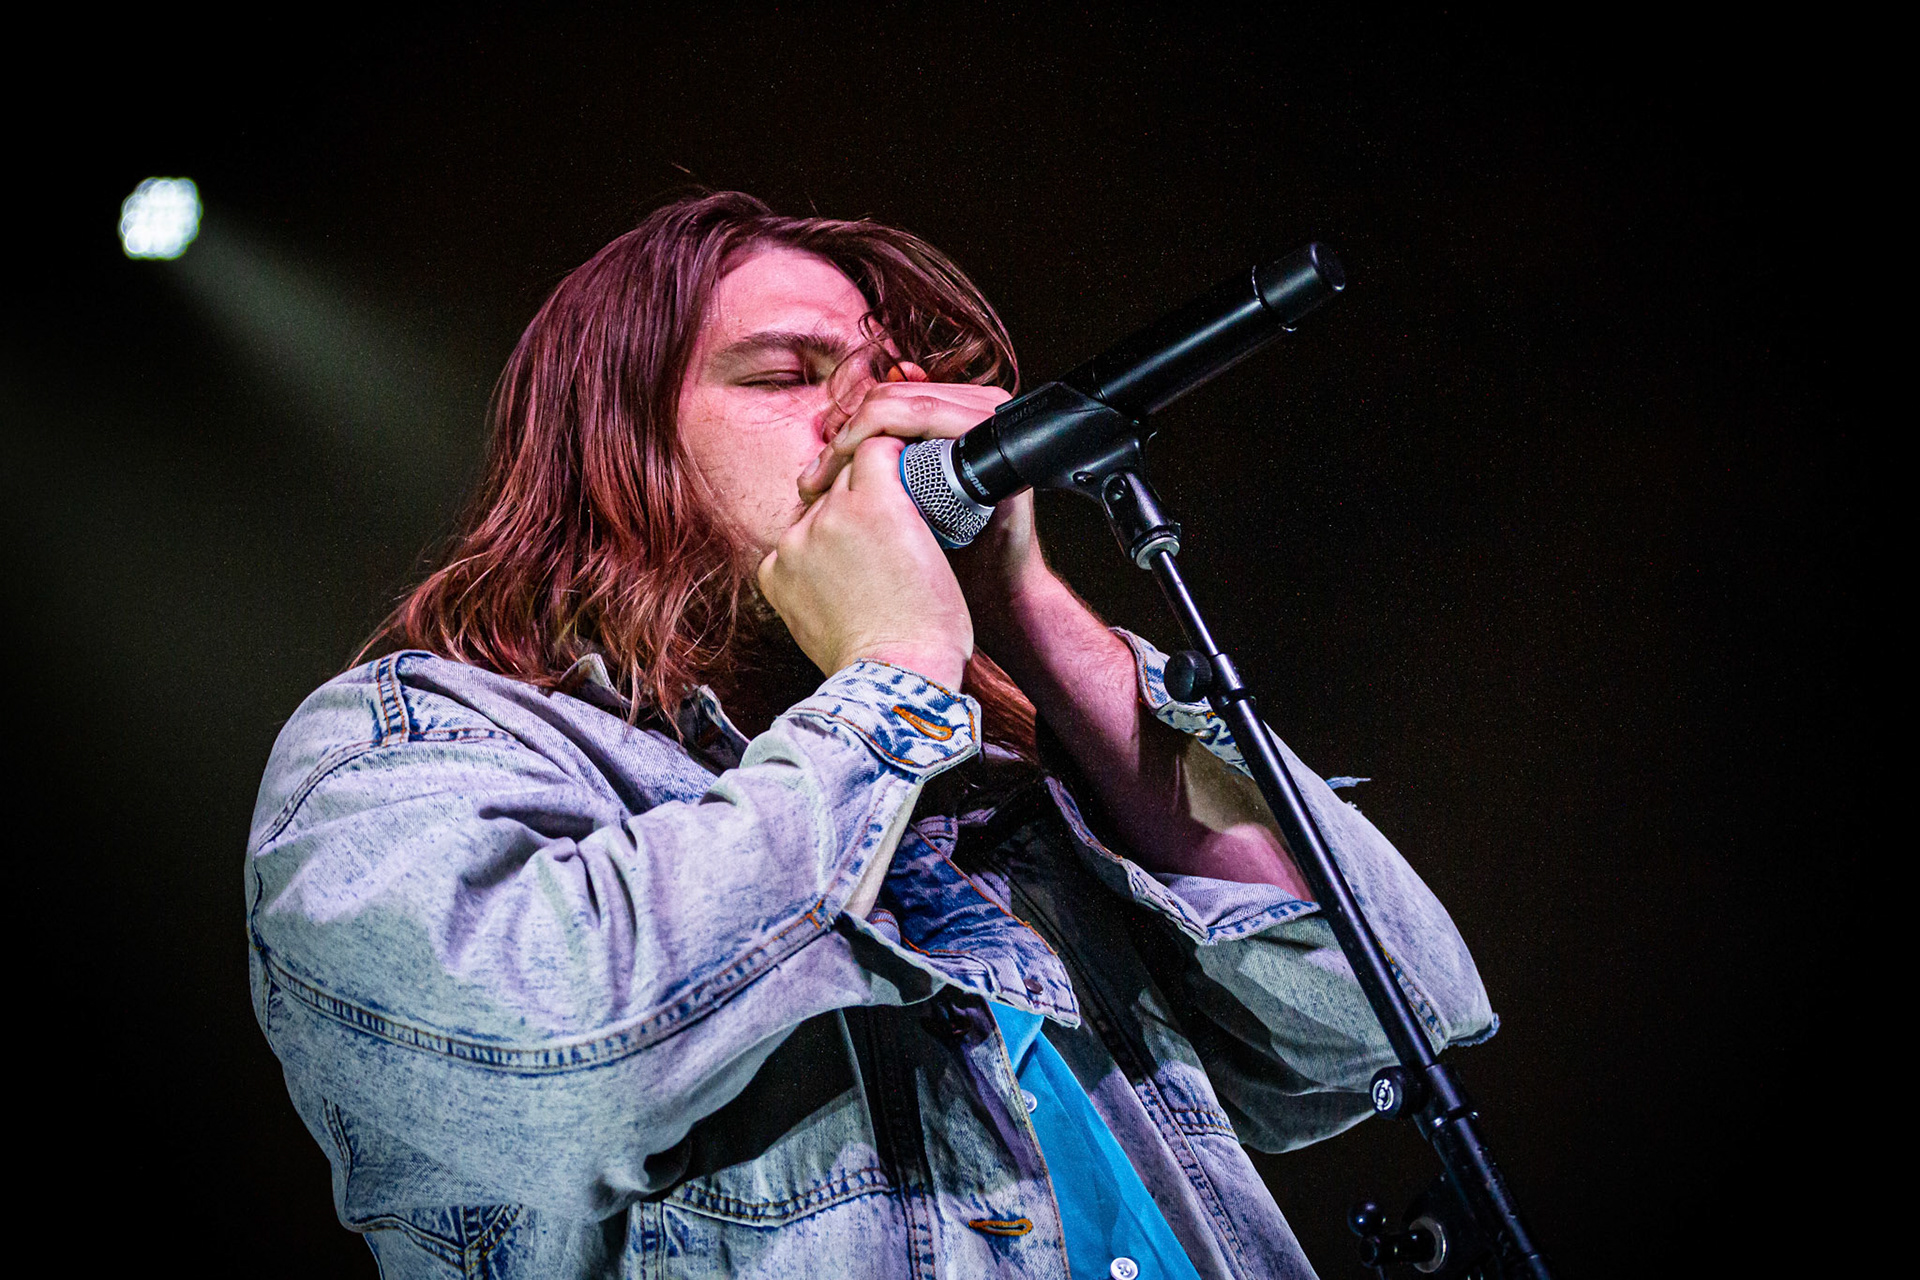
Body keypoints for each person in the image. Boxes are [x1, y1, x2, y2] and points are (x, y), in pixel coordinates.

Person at [246, 191, 1494, 1279]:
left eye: (886, 375)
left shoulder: (997, 779)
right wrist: (891, 674)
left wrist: (1023, 605)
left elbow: (1378, 1017)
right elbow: (552, 1070)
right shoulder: (412, 740)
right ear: (612, 446)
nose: (874, 421)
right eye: (788, 375)